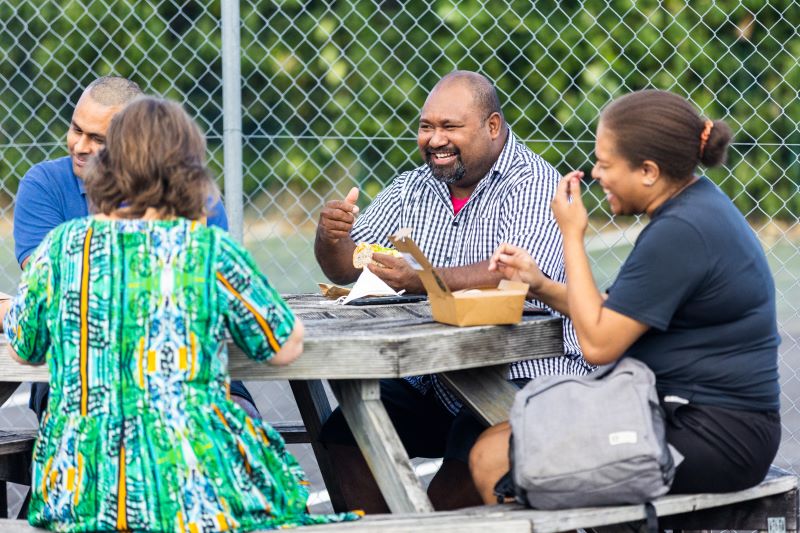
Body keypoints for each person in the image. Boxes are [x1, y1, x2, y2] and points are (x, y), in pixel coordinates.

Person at [1, 97, 360, 532]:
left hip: (77, 493)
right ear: (186, 170)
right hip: (187, 489)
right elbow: (284, 346)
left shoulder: (62, 248)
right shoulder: (206, 250)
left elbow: (23, 347)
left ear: (107, 166)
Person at [470, 89, 781, 502]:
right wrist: (541, 284)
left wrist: (572, 235)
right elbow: (612, 315)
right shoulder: (692, 208)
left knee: (496, 456)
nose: (595, 174)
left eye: (605, 163)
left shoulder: (681, 231)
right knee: (508, 435)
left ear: (648, 171)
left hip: (715, 434)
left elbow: (598, 343)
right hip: (694, 417)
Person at [315, 70, 591, 511]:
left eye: (450, 127)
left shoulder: (536, 183)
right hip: (438, 377)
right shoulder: (412, 186)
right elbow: (348, 266)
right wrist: (331, 238)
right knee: (347, 436)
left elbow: (516, 274)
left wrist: (422, 280)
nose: (435, 139)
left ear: (493, 127)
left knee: (449, 495)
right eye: (427, 127)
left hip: (519, 374)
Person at [13, 76, 259, 420]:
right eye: (76, 129)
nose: (79, 145)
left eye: (97, 139)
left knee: (238, 422)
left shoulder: (193, 194)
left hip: (189, 371)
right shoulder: (44, 185)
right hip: (78, 372)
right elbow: (49, 290)